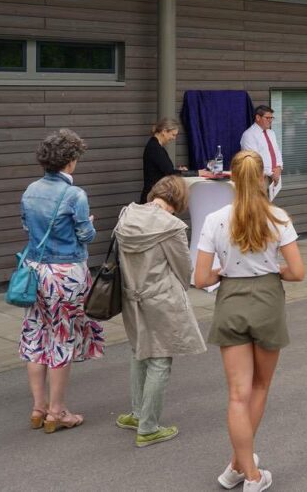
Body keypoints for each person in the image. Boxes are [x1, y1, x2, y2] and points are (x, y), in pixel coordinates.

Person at [194, 150, 305, 492]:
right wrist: (274, 269)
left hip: (231, 301)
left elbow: (200, 279)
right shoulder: (278, 218)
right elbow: (297, 272)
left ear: (231, 179)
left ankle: (239, 466)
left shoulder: (215, 219)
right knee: (259, 387)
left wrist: (223, 271)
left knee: (237, 395)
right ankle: (251, 476)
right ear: (262, 178)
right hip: (268, 299)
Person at [19, 129, 104, 434]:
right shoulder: (74, 195)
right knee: (61, 337)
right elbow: (85, 235)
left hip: (35, 271)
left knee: (36, 334)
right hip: (65, 273)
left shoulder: (30, 190)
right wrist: (90, 226)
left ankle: (38, 408)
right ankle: (58, 411)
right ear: (69, 161)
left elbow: (27, 226)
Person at [114, 175, 207, 447]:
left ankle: (136, 413)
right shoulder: (172, 227)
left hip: (131, 296)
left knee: (139, 352)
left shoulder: (127, 216)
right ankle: (149, 427)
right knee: (160, 359)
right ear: (178, 199)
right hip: (161, 297)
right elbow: (183, 269)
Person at [140, 118, 187, 203]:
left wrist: (178, 171)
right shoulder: (155, 148)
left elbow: (164, 170)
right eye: (173, 135)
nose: (174, 138)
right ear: (164, 132)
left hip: (156, 195)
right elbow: (170, 172)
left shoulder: (155, 146)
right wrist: (196, 173)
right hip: (155, 198)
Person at [240, 105, 283, 189]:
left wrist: (278, 168)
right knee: (259, 202)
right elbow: (254, 161)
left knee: (269, 201)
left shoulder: (271, 133)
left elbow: (277, 152)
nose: (270, 121)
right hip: (258, 178)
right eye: (267, 118)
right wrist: (272, 173)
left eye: (271, 118)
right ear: (258, 117)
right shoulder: (249, 135)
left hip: (274, 176)